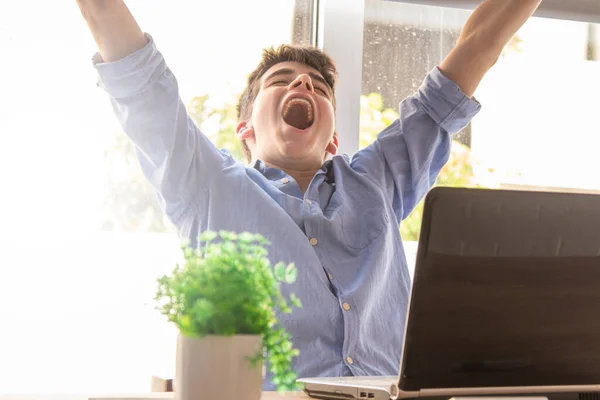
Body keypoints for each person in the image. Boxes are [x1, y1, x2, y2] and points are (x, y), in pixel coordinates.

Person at [77, 0, 542, 390]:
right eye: (281, 80)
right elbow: (138, 79)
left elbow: (478, 47)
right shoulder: (205, 183)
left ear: (333, 139)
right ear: (245, 128)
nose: (302, 84)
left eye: (318, 87)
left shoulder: (377, 180)